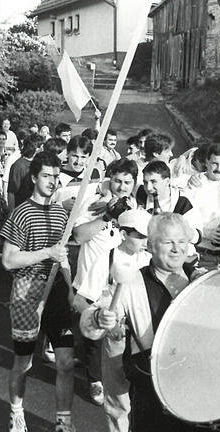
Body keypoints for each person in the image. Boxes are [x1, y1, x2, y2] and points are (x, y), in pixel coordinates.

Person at [81, 213, 206, 432]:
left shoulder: (201, 281)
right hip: (151, 386)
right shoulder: (132, 283)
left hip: (195, 383)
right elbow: (92, 315)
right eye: (168, 242)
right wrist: (100, 317)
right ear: (150, 246)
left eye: (182, 242)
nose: (177, 249)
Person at [0, 151, 76, 432]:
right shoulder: (22, 212)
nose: (52, 182)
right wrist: (47, 252)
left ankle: (63, 422)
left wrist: (69, 289)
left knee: (66, 362)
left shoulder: (60, 212)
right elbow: (8, 259)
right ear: (34, 177)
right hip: (27, 292)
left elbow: (63, 256)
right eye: (46, 175)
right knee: (24, 362)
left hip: (55, 292)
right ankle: (17, 412)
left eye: (56, 176)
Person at [72, 158, 140, 407]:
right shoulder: (94, 202)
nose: (122, 186)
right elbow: (78, 236)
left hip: (117, 283)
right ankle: (94, 379)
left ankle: (109, 376)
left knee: (116, 336)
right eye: (118, 181)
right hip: (91, 281)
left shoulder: (133, 206)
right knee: (93, 336)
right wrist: (106, 216)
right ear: (110, 178)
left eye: (127, 182)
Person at [75, 209, 151, 432]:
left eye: (146, 236)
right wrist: (104, 319)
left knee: (144, 398)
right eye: (138, 235)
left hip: (144, 337)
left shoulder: (149, 259)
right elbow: (82, 300)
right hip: (116, 339)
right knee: (118, 400)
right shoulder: (105, 259)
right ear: (123, 234)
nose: (144, 241)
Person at [186, 143, 220, 270]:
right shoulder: (194, 185)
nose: (219, 168)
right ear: (207, 162)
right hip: (200, 254)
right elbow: (182, 222)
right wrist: (207, 234)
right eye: (215, 163)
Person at [7, 135, 39, 211]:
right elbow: (11, 192)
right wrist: (12, 213)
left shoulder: (39, 163)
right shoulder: (18, 166)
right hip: (22, 209)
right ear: (35, 148)